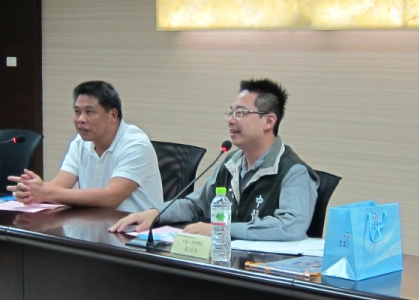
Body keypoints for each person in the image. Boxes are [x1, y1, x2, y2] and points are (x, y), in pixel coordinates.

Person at [110, 78, 317, 241]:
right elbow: (196, 206)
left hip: (265, 271)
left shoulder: (293, 172)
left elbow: (290, 227)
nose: (231, 120)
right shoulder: (231, 162)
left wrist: (221, 230)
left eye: (241, 113)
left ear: (269, 121)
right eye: (230, 112)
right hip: (225, 260)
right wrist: (156, 213)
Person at [8, 81, 163, 213]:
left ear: (113, 115)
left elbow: (111, 197)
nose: (81, 119)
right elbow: (59, 185)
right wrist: (31, 190)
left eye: (89, 112)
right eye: (77, 112)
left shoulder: (135, 144)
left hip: (137, 232)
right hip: (95, 226)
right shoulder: (80, 142)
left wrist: (46, 192)